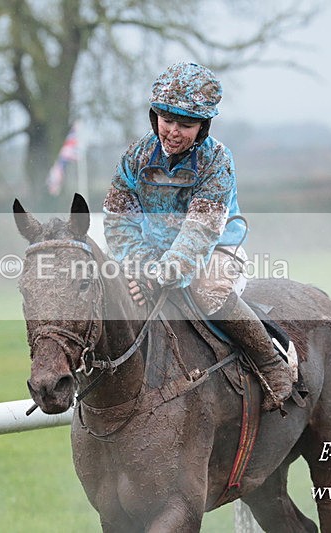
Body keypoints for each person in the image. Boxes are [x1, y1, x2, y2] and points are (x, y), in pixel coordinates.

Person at [102, 62, 293, 412]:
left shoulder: (217, 160)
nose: (173, 132)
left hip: (214, 249)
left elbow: (199, 233)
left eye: (186, 125)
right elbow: (117, 223)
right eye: (166, 120)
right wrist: (142, 268)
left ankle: (270, 362)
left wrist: (158, 277)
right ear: (153, 117)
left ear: (203, 126)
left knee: (206, 290)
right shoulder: (134, 157)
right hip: (150, 253)